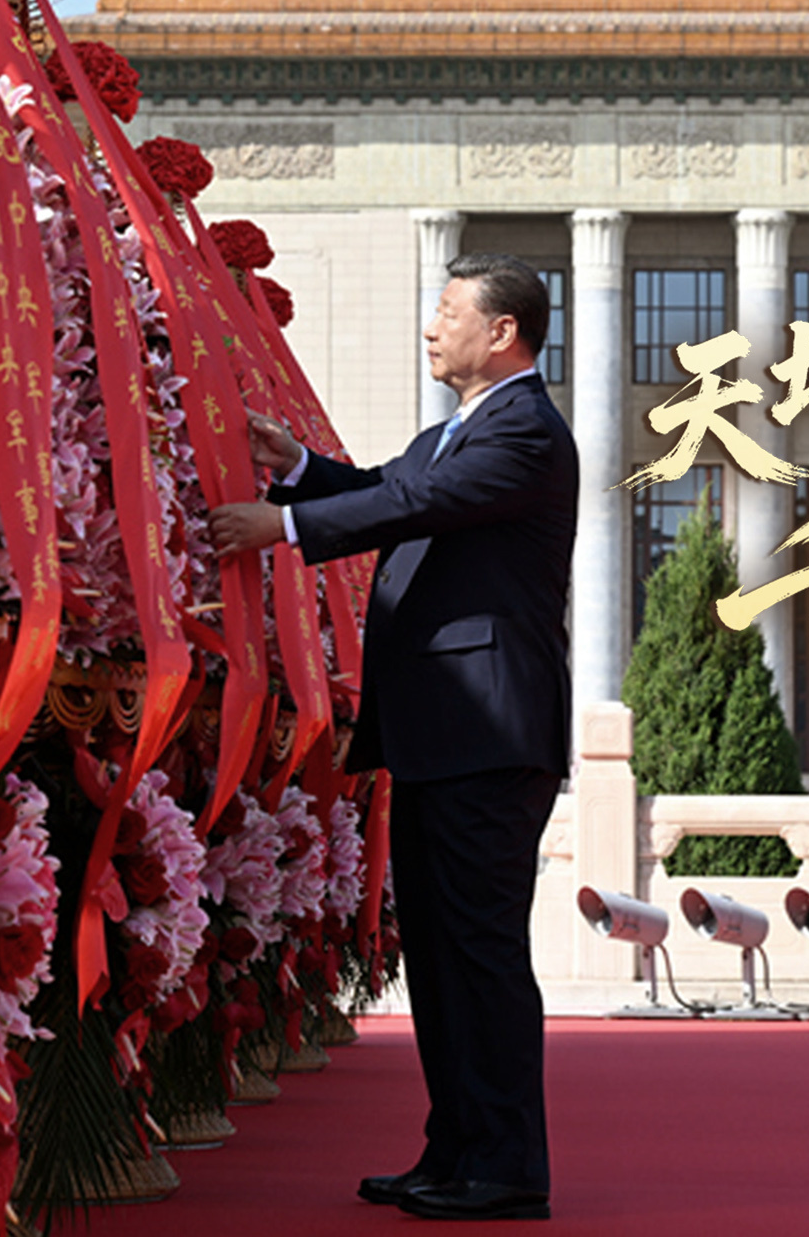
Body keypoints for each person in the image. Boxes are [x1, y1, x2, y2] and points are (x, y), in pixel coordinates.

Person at [209, 253, 577, 1222]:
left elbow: (414, 505)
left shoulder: (526, 432)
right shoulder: (453, 432)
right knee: (444, 956)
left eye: (449, 311)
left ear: (502, 332)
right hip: (439, 733)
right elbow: (384, 485)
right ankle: (455, 1149)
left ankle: (507, 1165)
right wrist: (297, 468)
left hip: (488, 734)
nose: (431, 327)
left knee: (481, 953)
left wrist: (283, 526)